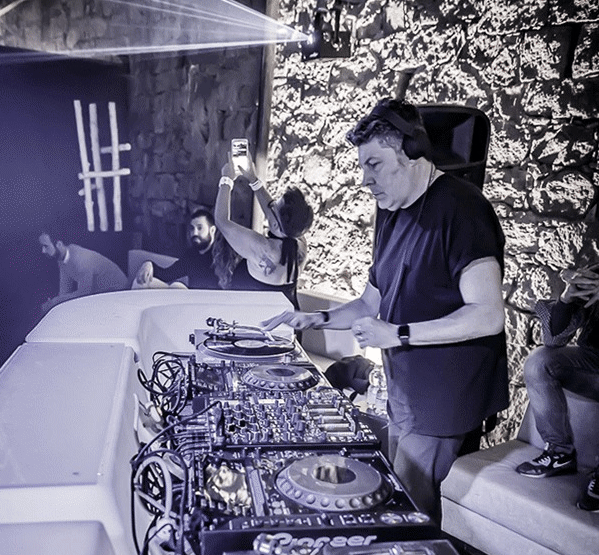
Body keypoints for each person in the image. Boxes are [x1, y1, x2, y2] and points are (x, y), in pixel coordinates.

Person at [263, 97, 508, 522]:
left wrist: (397, 334)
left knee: (410, 513)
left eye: (373, 164)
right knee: (399, 498)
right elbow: (369, 302)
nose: (364, 180)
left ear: (411, 153)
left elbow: (488, 314)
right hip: (405, 393)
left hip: (442, 401)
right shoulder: (392, 212)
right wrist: (317, 319)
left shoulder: (464, 210)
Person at [515, 246, 599, 513]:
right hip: (592, 360)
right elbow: (553, 339)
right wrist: (566, 298)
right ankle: (559, 453)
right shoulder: (595, 269)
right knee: (539, 361)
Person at [213, 149, 313, 307]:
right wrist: (253, 180)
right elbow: (272, 211)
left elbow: (221, 221)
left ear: (275, 224)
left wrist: (226, 179)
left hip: (253, 315)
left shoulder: (262, 247)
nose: (270, 205)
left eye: (274, 206)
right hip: (285, 315)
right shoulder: (299, 241)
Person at [132, 208, 234, 290]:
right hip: (191, 301)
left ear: (212, 230)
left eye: (200, 228)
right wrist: (148, 264)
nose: (194, 233)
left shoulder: (221, 255)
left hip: (214, 303)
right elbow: (167, 274)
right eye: (192, 228)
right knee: (142, 283)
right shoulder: (191, 256)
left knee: (177, 286)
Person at [39, 232, 127, 310]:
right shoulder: (62, 259)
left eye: (46, 246)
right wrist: (54, 304)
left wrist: (55, 301)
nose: (43, 251)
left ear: (59, 244)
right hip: (101, 295)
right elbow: (64, 291)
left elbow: (83, 294)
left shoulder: (81, 260)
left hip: (118, 293)